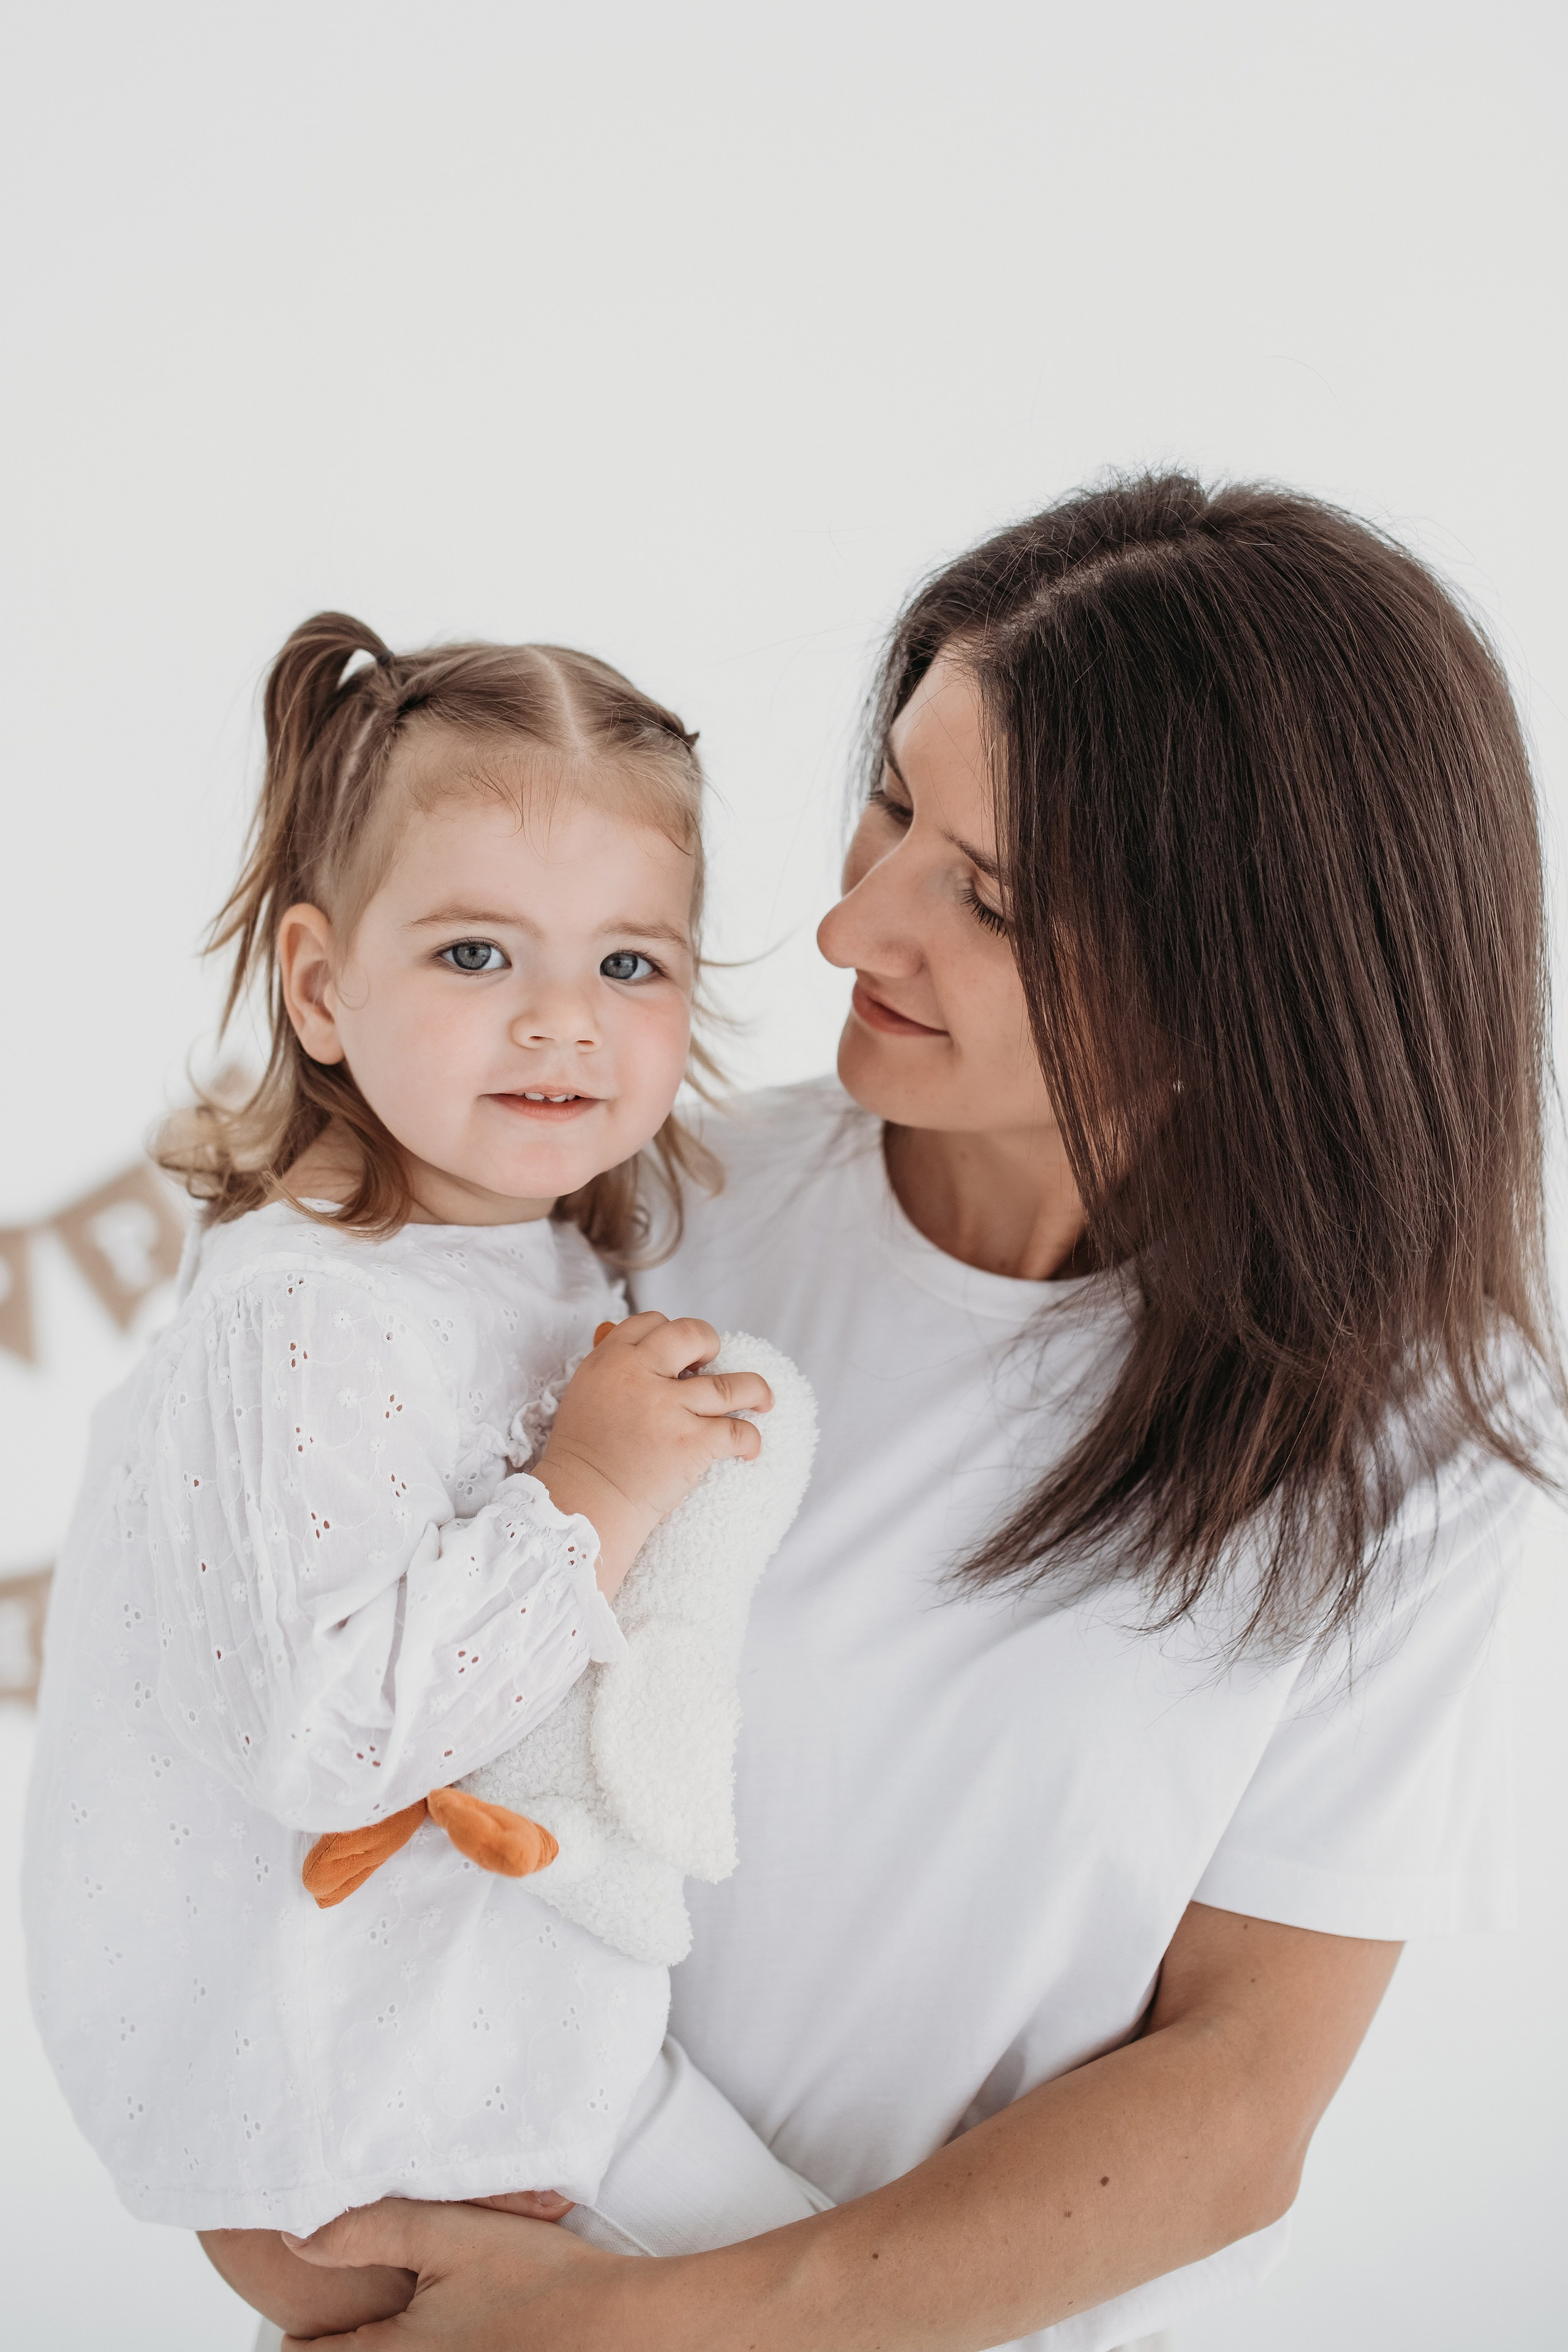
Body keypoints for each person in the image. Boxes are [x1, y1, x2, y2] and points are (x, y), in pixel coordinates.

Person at [279, 473, 1560, 2352]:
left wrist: (651, 2327)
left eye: (991, 896)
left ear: (1249, 980)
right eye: (893, 800)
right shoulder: (627, 1215)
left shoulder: (1414, 1437)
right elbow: (338, 1767)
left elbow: (1234, 2103)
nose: (847, 924)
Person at [22, 614, 834, 2345]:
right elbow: (326, 1736)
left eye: (631, 965)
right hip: (369, 2111)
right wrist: (596, 1489)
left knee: (871, 2291)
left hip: (519, 2067)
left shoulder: (540, 1265)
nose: (561, 1021)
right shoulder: (304, 1310)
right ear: (321, 986)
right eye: (477, 953)